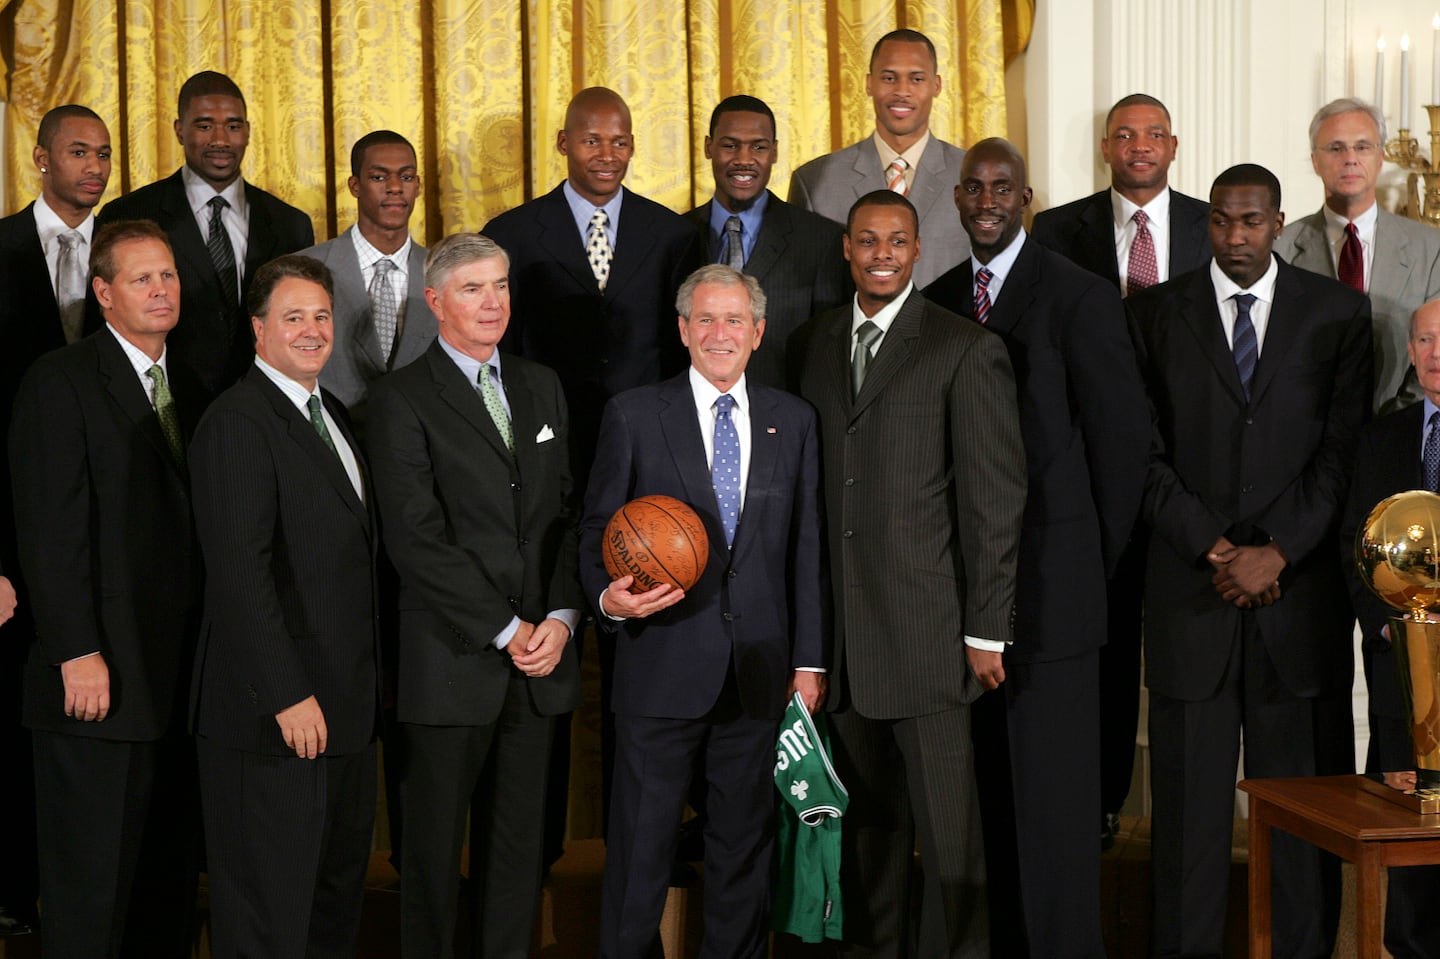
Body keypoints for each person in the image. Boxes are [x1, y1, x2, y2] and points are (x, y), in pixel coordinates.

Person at [1128, 164, 1371, 959]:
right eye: (1223, 223)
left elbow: (1342, 452)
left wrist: (1280, 551)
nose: (1236, 237)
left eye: (1252, 222)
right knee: (1189, 837)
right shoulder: (1155, 313)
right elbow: (1143, 451)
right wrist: (1214, 545)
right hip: (1191, 599)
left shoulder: (1337, 311)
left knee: (1300, 830)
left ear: (1278, 220)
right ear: (1208, 225)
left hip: (1294, 609)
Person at [925, 138, 1149, 958]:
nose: (987, 200)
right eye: (974, 187)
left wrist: (1087, 565)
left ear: (1027, 198)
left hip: (1056, 600)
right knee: (983, 812)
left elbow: (1123, 450)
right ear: (955, 197)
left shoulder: (1081, 296)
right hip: (960, 604)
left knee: (1054, 819)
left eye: (1003, 188)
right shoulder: (942, 296)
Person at [797, 190, 1027, 958]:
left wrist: (986, 629)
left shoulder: (963, 348)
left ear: (918, 248)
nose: (883, 253)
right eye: (868, 240)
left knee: (952, 846)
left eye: (897, 240)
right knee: (867, 843)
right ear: (848, 250)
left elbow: (994, 500)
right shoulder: (818, 342)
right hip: (845, 650)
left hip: (933, 643)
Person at [483, 85, 703, 860]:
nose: (606, 155)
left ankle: (638, 841)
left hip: (646, 489)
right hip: (543, 482)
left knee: (638, 671)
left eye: (620, 141)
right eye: (591, 140)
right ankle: (534, 849)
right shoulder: (510, 234)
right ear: (563, 142)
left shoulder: (674, 235)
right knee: (544, 669)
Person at [581, 263, 826, 958]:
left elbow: (805, 550)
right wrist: (608, 596)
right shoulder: (634, 412)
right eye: (707, 320)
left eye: (735, 320)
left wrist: (809, 660)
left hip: (758, 674)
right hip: (658, 667)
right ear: (684, 330)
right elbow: (594, 527)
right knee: (639, 857)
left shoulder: (794, 419)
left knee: (741, 856)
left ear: (758, 331)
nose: (722, 333)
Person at [365, 233, 583, 957]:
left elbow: (565, 513)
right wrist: (505, 628)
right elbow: (415, 538)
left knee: (519, 855)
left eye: (500, 286)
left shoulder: (540, 384)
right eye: (472, 289)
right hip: (451, 661)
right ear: (434, 302)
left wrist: (557, 615)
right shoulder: (399, 399)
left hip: (540, 666)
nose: (493, 303)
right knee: (429, 859)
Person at [9, 219, 202, 958]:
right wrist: (75, 649)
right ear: (103, 293)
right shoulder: (61, 380)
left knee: (165, 880)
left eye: (169, 276)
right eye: (142, 278)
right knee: (89, 886)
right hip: (97, 678)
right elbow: (49, 532)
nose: (161, 289)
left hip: (174, 679)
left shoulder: (191, 377)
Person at [1030, 92, 1214, 851]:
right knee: (1100, 652)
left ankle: (1187, 813)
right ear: (1106, 146)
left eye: (1153, 134)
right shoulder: (1055, 231)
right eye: (1125, 134)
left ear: (1174, 145)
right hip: (1092, 477)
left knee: (1186, 651)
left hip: (1192, 477)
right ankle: (1099, 806)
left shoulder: (1218, 225)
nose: (1140, 146)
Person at [189, 255, 379, 959]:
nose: (311, 330)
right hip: (274, 721)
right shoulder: (239, 421)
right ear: (259, 329)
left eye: (322, 316)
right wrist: (287, 692)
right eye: (293, 317)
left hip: (344, 716)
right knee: (271, 920)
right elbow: (241, 577)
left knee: (331, 912)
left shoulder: (329, 413)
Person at [0, 102, 113, 937]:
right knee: (15, 719)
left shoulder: (132, 254)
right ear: (40, 159)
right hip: (12, 533)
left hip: (107, 536)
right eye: (78, 151)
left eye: (104, 153)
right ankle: (13, 889)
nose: (94, 166)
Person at [98, 70, 315, 402]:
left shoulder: (291, 224)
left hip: (265, 406)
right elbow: (105, 328)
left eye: (233, 126)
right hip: (162, 403)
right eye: (204, 126)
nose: (220, 140)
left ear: (248, 131)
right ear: (179, 131)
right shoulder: (129, 214)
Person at [1339, 297, 1440, 959]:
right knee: (1406, 808)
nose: (1437, 353)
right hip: (1399, 664)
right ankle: (1407, 943)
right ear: (1409, 352)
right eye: (1426, 340)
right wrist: (1386, 627)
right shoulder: (1381, 438)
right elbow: (1355, 547)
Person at [1276, 97, 1440, 415]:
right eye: (1336, 148)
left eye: (1363, 147)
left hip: (1399, 437)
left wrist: (1390, 428)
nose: (1350, 159)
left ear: (1381, 157)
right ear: (1314, 160)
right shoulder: (1280, 248)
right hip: (1305, 435)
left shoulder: (1431, 249)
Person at [683, 95, 848, 389]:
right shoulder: (674, 236)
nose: (744, 160)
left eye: (758, 147)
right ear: (709, 147)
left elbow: (829, 358)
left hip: (784, 421)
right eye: (730, 145)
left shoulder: (821, 241)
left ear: (774, 152)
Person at [788, 29, 969, 288]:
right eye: (889, 78)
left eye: (916, 79)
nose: (902, 91)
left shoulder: (970, 178)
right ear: (869, 83)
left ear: (936, 85)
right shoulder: (815, 182)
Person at [299, 130, 434, 436]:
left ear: (418, 185)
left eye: (407, 176)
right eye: (379, 177)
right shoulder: (302, 270)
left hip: (421, 456)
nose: (396, 188)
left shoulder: (444, 274)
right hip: (328, 444)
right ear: (355, 186)